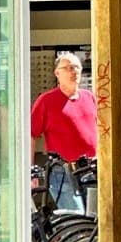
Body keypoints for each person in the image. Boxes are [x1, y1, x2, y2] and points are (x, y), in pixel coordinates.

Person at [29, 52, 98, 211]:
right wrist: (31, 172)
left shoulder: (89, 97)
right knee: (76, 218)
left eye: (76, 68)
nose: (73, 72)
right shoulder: (46, 101)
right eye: (67, 68)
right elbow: (31, 135)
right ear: (57, 73)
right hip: (63, 171)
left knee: (95, 219)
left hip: (90, 169)